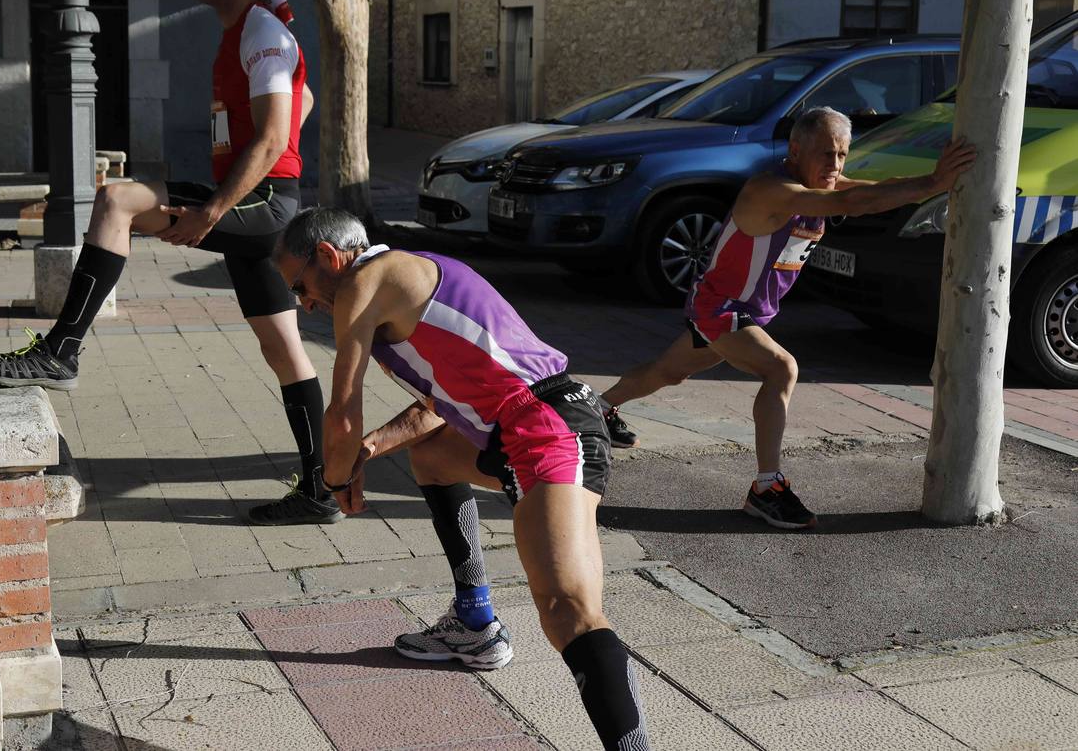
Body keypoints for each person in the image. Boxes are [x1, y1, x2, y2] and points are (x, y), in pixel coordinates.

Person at [0, 0, 341, 527]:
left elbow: (277, 133)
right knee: (286, 353)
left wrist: (214, 210)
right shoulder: (243, 35)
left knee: (116, 201)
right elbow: (303, 102)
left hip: (262, 205)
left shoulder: (263, 32)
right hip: (261, 207)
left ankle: (62, 349)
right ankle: (319, 491)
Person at [275, 207, 651, 751]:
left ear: (330, 257)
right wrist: (370, 448)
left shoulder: (366, 281)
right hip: (530, 425)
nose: (304, 302)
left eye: (301, 285)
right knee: (432, 458)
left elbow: (341, 412)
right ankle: (475, 623)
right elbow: (437, 407)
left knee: (568, 610)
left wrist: (332, 481)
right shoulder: (410, 279)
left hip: (545, 429)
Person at [600, 106, 975, 529]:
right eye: (827, 154)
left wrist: (934, 185)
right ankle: (767, 488)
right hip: (721, 308)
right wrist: (932, 181)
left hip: (749, 313)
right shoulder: (773, 190)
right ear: (796, 150)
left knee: (668, 372)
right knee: (781, 369)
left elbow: (870, 190)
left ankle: (599, 407)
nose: (835, 165)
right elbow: (852, 200)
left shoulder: (820, 185)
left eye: (843, 155)